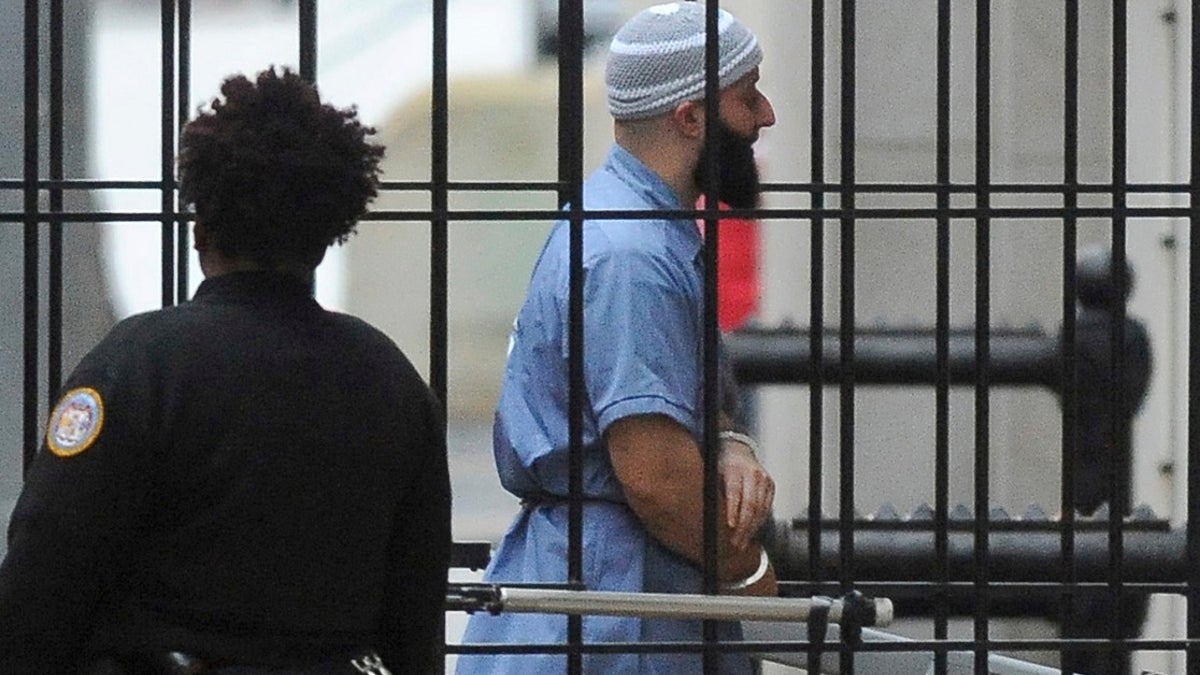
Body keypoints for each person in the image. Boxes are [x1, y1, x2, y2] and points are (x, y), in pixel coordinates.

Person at [0, 67, 451, 674]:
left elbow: (43, 582)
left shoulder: (137, 367)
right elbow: (414, 613)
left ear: (199, 227)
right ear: (326, 239)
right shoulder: (391, 381)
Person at [457, 3, 777, 673]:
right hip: (616, 616)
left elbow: (682, 398)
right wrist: (750, 575)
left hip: (603, 594)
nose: (765, 115)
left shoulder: (634, 224)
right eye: (747, 97)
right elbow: (658, 480)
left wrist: (728, 442)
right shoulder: (633, 254)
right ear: (690, 117)